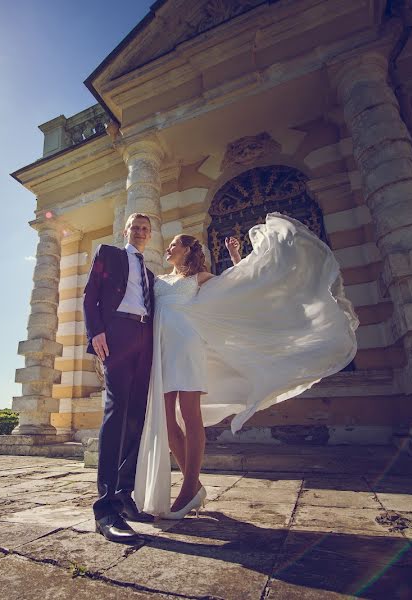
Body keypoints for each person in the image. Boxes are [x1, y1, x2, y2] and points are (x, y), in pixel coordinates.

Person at [135, 212, 359, 519]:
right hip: (162, 350)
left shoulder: (199, 278)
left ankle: (188, 487)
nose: (169, 248)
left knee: (190, 414)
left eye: (175, 244)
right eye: (170, 244)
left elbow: (241, 287)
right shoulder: (159, 280)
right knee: (167, 418)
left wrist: (236, 256)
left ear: (187, 250)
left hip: (187, 347)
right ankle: (194, 483)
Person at [83, 212, 157, 543]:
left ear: (150, 235)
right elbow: (90, 295)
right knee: (116, 414)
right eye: (135, 227)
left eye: (145, 228)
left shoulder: (151, 275)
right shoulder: (108, 254)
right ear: (125, 231)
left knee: (137, 418)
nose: (140, 231)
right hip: (117, 334)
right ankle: (105, 509)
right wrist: (96, 331)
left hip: (145, 340)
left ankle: (125, 496)